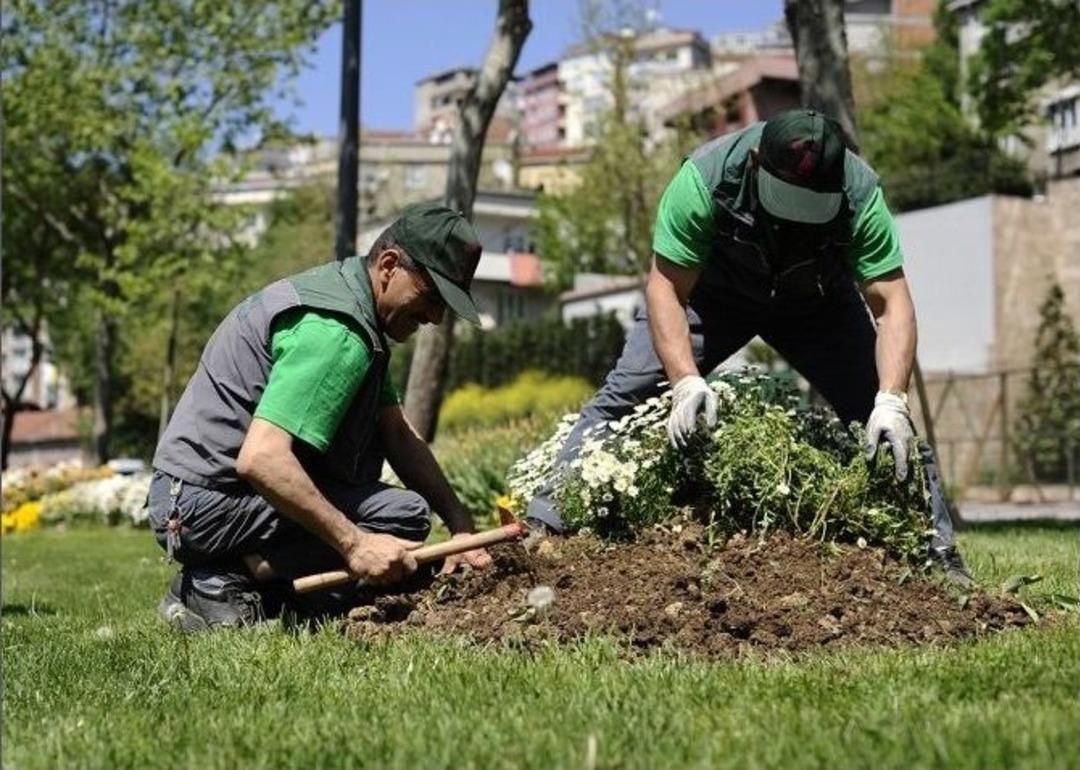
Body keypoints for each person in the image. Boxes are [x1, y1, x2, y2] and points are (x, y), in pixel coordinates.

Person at [526, 109, 971, 582]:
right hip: (712, 296)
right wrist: (684, 380)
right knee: (626, 394)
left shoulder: (860, 194)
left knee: (883, 424)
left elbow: (891, 304)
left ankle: (936, 552)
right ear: (758, 162)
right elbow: (666, 290)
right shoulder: (705, 178)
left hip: (815, 301)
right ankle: (547, 523)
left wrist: (891, 399)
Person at [150, 202, 493, 631]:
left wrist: (462, 527)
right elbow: (261, 458)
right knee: (389, 521)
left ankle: (260, 586)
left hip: (206, 497)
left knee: (404, 514)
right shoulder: (336, 332)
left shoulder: (354, 309)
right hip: (199, 504)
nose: (435, 318)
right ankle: (219, 581)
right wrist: (354, 545)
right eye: (431, 297)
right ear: (389, 265)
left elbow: (398, 435)